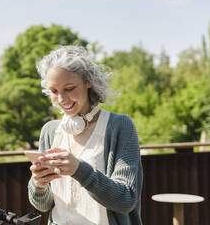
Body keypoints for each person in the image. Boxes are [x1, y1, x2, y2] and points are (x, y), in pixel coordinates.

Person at [28, 46, 143, 225]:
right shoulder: (50, 131)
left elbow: (126, 199)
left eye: (69, 88)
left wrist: (79, 170)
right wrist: (38, 184)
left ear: (88, 81)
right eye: (54, 91)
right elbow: (43, 205)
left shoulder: (119, 126)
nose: (61, 99)